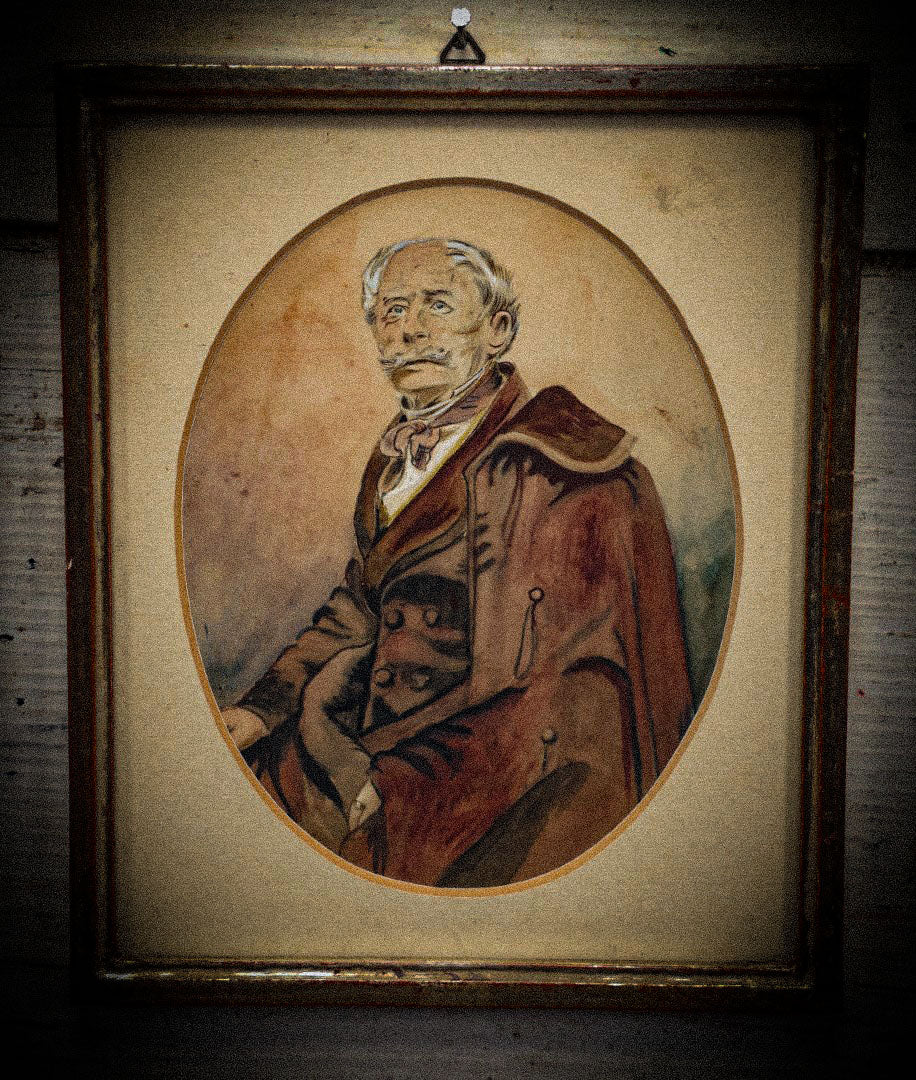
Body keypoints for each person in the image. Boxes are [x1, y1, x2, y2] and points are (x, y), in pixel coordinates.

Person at [220, 237, 693, 888]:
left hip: (472, 775)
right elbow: (362, 605)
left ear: (497, 331)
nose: (410, 330)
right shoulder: (393, 461)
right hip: (352, 731)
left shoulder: (554, 473)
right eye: (391, 311)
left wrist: (405, 783)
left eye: (436, 305)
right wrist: (263, 707)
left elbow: (562, 695)